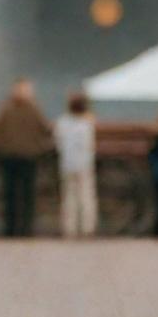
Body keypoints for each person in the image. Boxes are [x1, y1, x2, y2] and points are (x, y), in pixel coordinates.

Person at [0, 78, 52, 237]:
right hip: (29, 156)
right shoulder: (33, 108)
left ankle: (10, 229)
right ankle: (26, 229)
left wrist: (2, 146)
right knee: (27, 195)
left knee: (10, 195)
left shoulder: (6, 108)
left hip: (9, 156)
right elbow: (45, 128)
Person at [52, 92, 98, 237]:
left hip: (67, 163)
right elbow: (90, 144)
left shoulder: (62, 122)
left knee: (68, 197)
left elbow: (58, 142)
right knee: (86, 196)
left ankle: (69, 228)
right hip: (84, 163)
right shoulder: (87, 123)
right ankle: (87, 227)